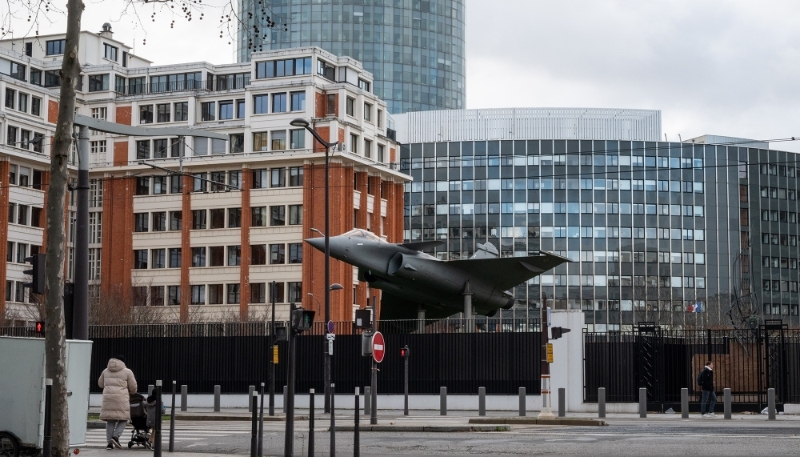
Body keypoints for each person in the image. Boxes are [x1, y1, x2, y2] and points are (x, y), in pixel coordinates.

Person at [98, 355, 138, 449]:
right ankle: (116, 437)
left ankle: (109, 444)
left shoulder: (105, 371)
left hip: (108, 398)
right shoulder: (127, 371)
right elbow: (133, 387)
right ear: (123, 362)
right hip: (121, 398)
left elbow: (100, 384)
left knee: (110, 420)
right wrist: (132, 392)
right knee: (124, 418)